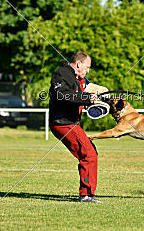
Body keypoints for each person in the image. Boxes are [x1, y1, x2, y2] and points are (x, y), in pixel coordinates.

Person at [49, 52, 100, 203]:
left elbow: (88, 88)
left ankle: (87, 193)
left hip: (69, 123)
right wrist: (86, 98)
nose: (88, 70)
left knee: (90, 153)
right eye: (87, 67)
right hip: (63, 123)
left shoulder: (78, 78)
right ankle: (86, 195)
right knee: (89, 154)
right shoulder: (62, 73)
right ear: (78, 64)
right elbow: (62, 94)